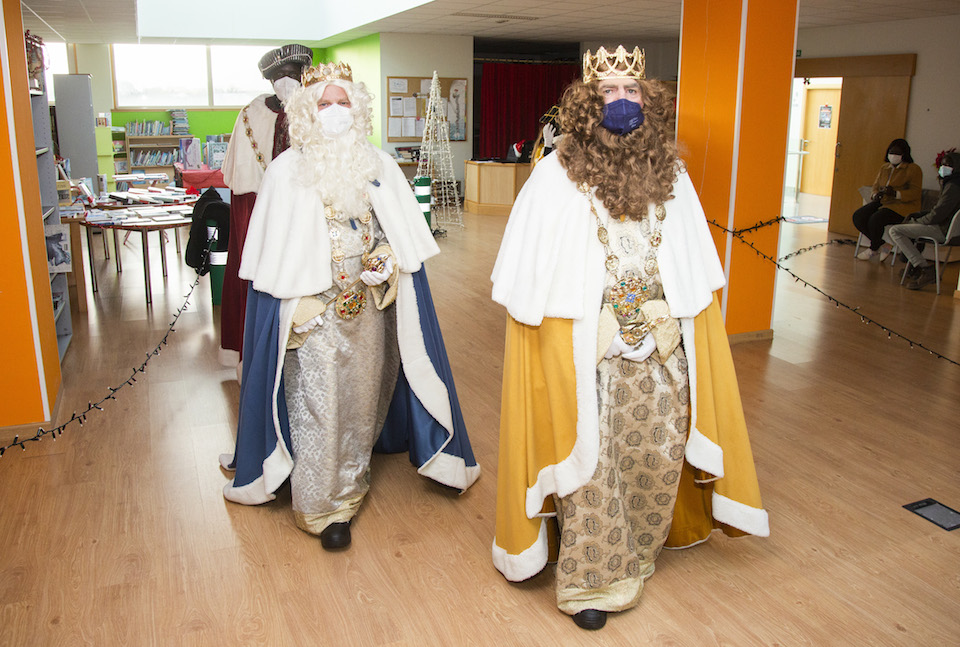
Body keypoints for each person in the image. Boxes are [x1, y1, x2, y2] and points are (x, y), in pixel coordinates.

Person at [490, 45, 769, 631]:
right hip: (585, 352)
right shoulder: (552, 175)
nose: (622, 102)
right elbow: (537, 279)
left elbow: (689, 268)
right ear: (589, 103)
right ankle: (593, 579)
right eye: (609, 93)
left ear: (649, 101)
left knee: (655, 450)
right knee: (589, 460)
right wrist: (597, 325)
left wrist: (666, 318)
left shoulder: (672, 174)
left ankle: (635, 554)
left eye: (632, 92)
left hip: (659, 346)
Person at [220, 61, 480, 550]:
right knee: (318, 405)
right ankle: (321, 506)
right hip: (311, 316)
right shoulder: (285, 171)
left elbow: (392, 236)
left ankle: (350, 483)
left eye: (343, 103)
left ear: (356, 110)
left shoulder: (377, 165)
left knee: (361, 403)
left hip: (369, 312)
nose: (334, 112)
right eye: (324, 104)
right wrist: (288, 306)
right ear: (306, 113)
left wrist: (385, 257)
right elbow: (271, 261)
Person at [219, 44, 313, 369]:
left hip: (307, 211)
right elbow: (241, 177)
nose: (286, 81)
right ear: (269, 80)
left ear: (304, 75)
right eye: (278, 76)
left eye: (293, 74)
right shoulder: (250, 115)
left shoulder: (318, 110)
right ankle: (258, 356)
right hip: (259, 208)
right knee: (260, 277)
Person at [888, 150, 960, 290]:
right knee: (910, 224)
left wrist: (918, 221)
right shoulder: (954, 183)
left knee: (895, 230)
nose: (943, 168)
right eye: (943, 164)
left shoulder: (953, 186)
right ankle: (914, 267)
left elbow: (937, 215)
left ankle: (924, 269)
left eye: (948, 165)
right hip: (951, 230)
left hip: (943, 229)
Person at [852, 138, 922, 261]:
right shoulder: (885, 168)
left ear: (904, 154)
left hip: (902, 207)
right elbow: (875, 185)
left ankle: (873, 249)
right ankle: (882, 244)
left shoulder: (913, 169)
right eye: (891, 152)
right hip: (884, 202)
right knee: (858, 216)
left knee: (876, 219)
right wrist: (875, 194)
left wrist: (896, 193)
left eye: (897, 153)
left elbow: (915, 193)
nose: (893, 156)